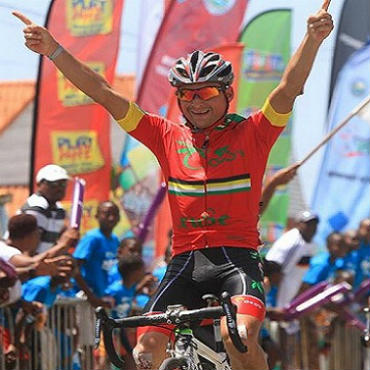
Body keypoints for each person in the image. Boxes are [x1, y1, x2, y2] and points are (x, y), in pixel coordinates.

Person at [13, 2, 334, 368]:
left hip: (237, 260)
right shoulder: (164, 135)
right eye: (187, 94)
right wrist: (53, 50)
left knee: (239, 337)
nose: (197, 102)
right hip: (183, 263)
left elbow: (288, 88)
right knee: (144, 352)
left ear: (227, 94)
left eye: (207, 93)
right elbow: (102, 91)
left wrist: (312, 38)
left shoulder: (254, 134)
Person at [18, 164, 79, 254]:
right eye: (53, 184)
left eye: (63, 183)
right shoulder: (36, 208)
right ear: (39, 184)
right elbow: (27, 252)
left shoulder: (59, 209)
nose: (59, 188)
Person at [266, 210, 319, 308]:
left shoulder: (311, 244)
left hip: (291, 290)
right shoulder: (292, 240)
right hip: (278, 291)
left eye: (315, 224)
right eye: (308, 224)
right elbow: (274, 268)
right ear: (299, 224)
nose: (312, 227)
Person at [73, 201, 121, 307]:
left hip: (102, 299)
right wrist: (90, 296)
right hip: (86, 298)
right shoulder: (92, 238)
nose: (111, 218)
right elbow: (74, 267)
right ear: (97, 216)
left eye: (115, 214)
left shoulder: (115, 240)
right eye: (107, 214)